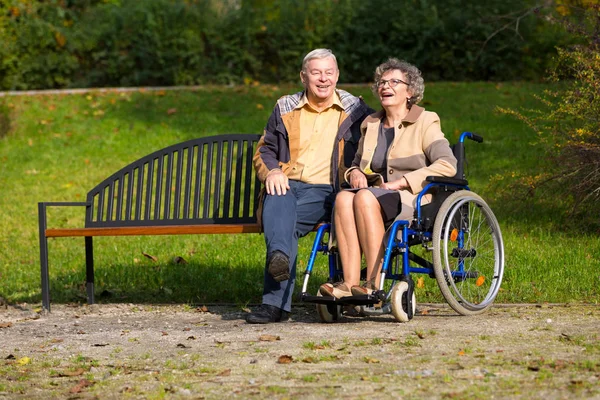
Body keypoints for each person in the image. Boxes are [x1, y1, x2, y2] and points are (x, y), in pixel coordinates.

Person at [246, 49, 372, 324]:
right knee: (278, 196)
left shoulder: (357, 111)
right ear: (303, 77)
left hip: (326, 191)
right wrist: (273, 172)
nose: (323, 79)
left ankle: (273, 305)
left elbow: (378, 144)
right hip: (288, 186)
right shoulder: (286, 107)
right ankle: (279, 258)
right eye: (316, 73)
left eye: (329, 72)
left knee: (281, 223)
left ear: (337, 76)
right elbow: (265, 149)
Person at [319, 58, 457, 299]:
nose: (385, 86)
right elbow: (354, 166)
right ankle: (349, 284)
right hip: (374, 194)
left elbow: (447, 164)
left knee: (363, 198)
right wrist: (356, 174)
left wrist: (403, 182)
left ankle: (374, 282)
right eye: (382, 82)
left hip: (412, 198)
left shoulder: (425, 121)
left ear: (410, 91)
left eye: (394, 82)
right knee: (343, 198)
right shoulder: (371, 123)